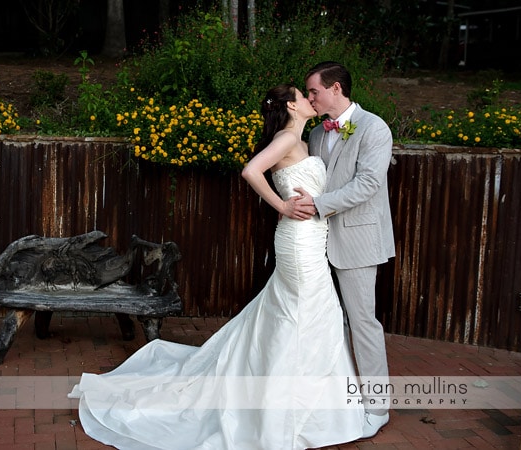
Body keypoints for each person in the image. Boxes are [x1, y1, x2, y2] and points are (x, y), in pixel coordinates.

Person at [68, 84, 364, 449]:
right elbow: (251, 171)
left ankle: (314, 405)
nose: (309, 98)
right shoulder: (288, 139)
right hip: (298, 242)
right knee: (305, 311)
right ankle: (286, 409)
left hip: (314, 239)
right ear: (292, 105)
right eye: (303, 95)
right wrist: (283, 206)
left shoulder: (306, 141)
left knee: (308, 312)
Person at [286, 61, 395, 439]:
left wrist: (317, 204)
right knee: (323, 321)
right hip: (315, 243)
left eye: (313, 91)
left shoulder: (374, 128)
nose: (309, 97)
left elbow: (367, 184)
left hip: (358, 240)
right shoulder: (316, 134)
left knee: (363, 323)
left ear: (335, 89)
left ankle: (377, 407)